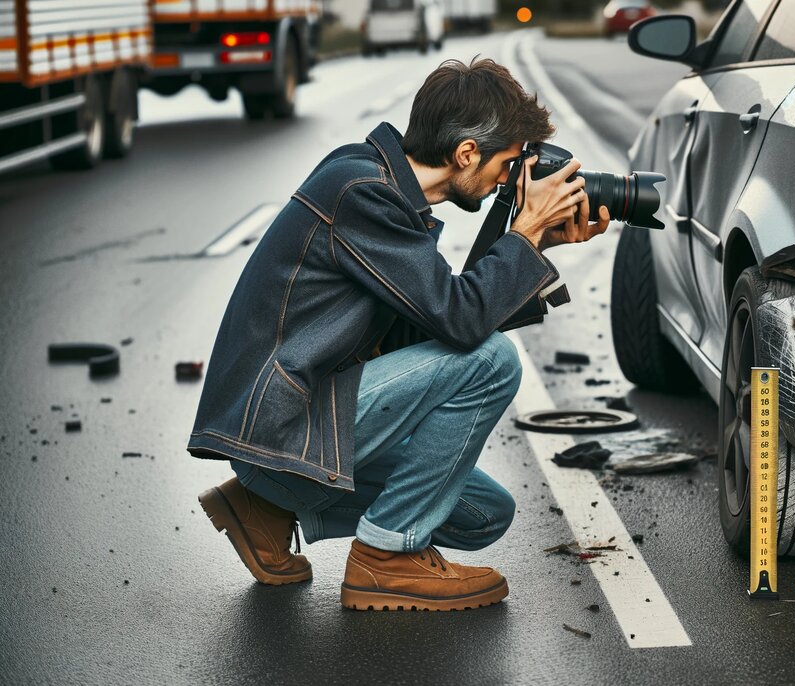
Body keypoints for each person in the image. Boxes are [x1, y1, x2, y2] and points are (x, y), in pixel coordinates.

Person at [187, 57, 610, 612]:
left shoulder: (381, 187)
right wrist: (523, 239)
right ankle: (386, 558)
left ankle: (264, 507)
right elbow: (463, 328)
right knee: (496, 361)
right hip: (281, 427)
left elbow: (442, 324)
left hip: (303, 423)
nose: (508, 182)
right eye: (507, 166)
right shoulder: (361, 192)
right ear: (466, 153)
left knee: (484, 514)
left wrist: (537, 247)